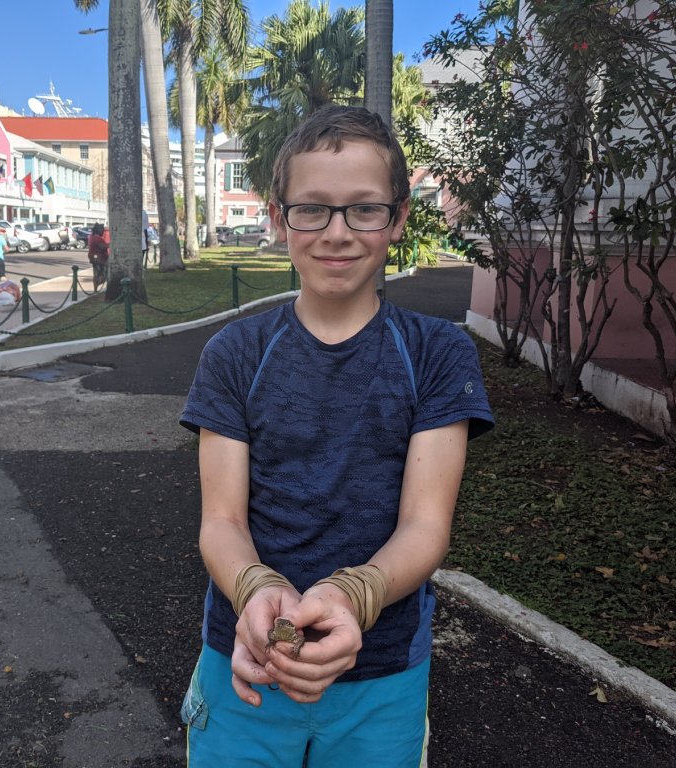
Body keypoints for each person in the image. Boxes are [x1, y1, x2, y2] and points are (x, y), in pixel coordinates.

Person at [178, 104, 494, 767]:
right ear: (276, 216)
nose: (337, 232)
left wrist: (356, 594)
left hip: (382, 676)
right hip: (245, 660)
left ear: (399, 217)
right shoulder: (235, 353)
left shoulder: (438, 355)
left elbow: (425, 526)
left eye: (364, 209)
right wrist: (259, 591)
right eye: (312, 208)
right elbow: (222, 522)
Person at [87, 223, 109, 291]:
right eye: (102, 230)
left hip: (94, 258)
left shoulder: (91, 237)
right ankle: (98, 283)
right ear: (98, 230)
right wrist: (109, 245)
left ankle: (95, 289)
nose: (103, 232)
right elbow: (102, 247)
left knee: (96, 273)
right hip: (100, 259)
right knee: (103, 274)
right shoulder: (98, 239)